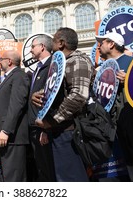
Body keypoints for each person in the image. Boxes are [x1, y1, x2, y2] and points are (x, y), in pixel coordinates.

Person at [34, 27, 93, 182]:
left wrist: (51, 120)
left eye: (53, 40)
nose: (50, 43)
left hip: (70, 131)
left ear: (61, 43)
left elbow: (78, 96)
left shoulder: (77, 60)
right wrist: (39, 95)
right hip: (59, 130)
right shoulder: (61, 63)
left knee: (71, 178)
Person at [95, 32, 133, 182]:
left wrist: (130, 80)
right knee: (128, 163)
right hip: (114, 123)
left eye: (102, 42)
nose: (99, 46)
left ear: (111, 44)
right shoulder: (103, 68)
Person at [0, 50, 30, 181]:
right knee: (6, 176)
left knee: (13, 178)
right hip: (6, 138)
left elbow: (16, 105)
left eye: (2, 59)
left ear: (9, 61)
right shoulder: (10, 77)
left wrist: (6, 130)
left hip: (13, 138)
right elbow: (4, 106)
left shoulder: (19, 76)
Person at [27, 35, 56, 181]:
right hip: (34, 126)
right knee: (41, 170)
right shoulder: (37, 68)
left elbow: (51, 97)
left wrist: (45, 128)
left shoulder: (52, 65)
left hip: (44, 127)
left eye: (33, 46)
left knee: (49, 170)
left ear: (42, 47)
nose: (31, 50)